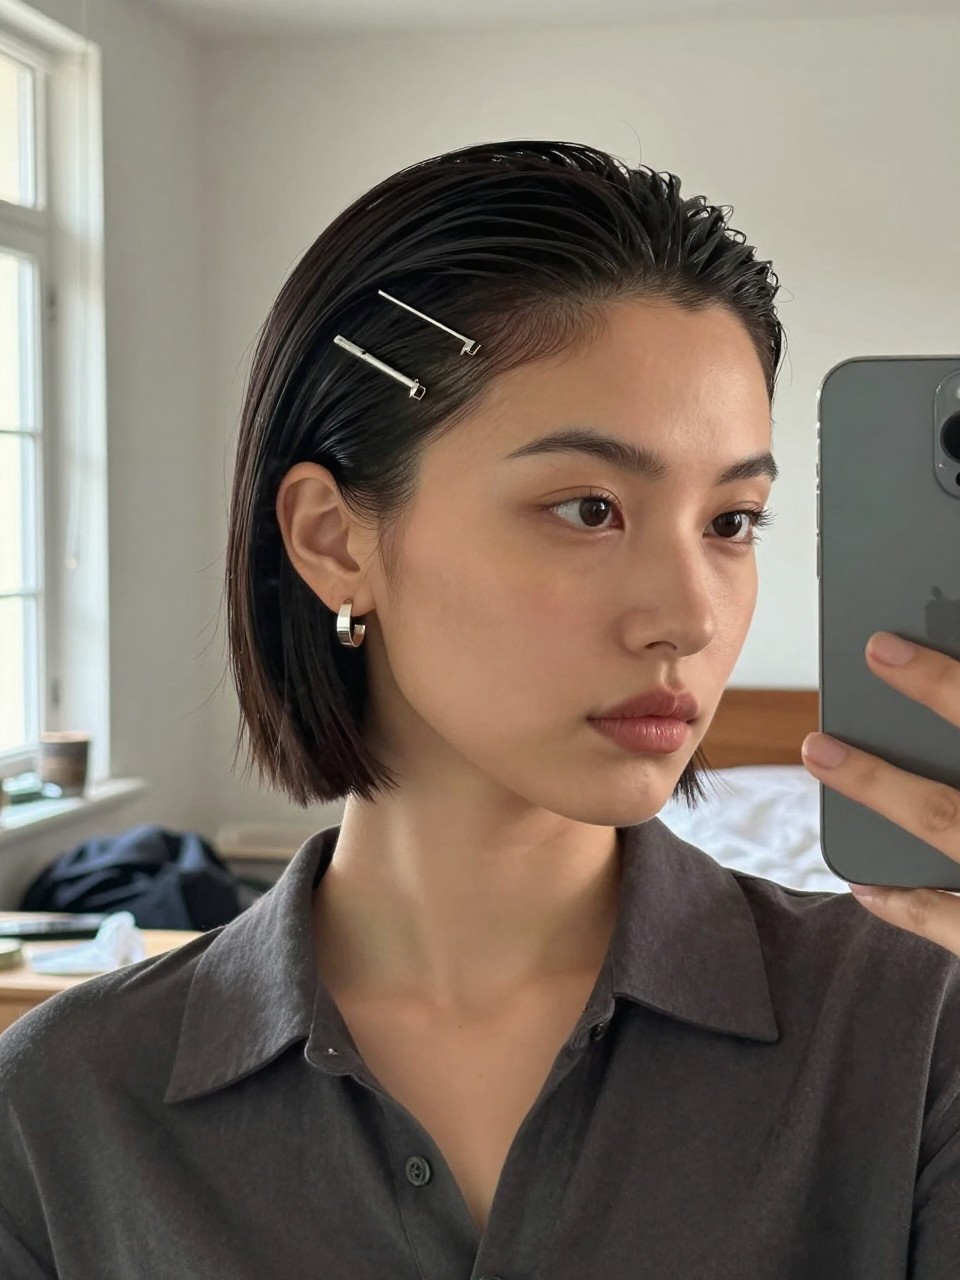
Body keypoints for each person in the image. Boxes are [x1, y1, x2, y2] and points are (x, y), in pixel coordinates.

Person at [0, 138, 958, 1278]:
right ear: (332, 537)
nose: (691, 618)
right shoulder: (63, 1103)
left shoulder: (917, 1032)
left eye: (730, 520)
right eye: (590, 506)